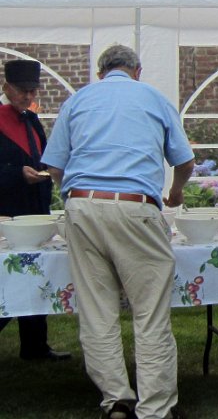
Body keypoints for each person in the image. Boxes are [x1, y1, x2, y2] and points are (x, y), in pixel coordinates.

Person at [42, 45, 195, 419]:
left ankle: (116, 400)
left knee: (97, 311)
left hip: (81, 205)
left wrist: (76, 192)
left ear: (100, 72)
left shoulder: (78, 101)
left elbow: (55, 166)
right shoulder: (153, 98)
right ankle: (155, 408)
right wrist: (174, 193)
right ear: (137, 70)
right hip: (135, 204)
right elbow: (185, 160)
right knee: (150, 312)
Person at [0, 59, 71, 361]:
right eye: (21, 91)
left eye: (32, 91)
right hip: (6, 207)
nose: (27, 97)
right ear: (6, 88)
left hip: (34, 204)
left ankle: (35, 344)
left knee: (37, 271)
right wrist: (18, 174)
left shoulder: (32, 120)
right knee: (10, 277)